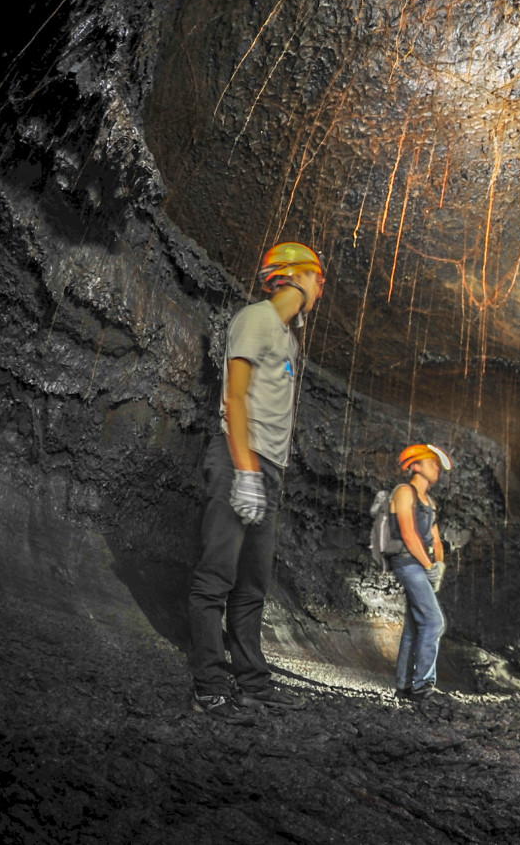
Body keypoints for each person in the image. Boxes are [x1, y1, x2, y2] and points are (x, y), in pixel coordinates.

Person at [187, 242, 325, 723]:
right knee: (216, 577)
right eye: (318, 277)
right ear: (296, 275)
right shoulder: (257, 318)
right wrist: (245, 471)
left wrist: (264, 473)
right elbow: (236, 396)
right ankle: (209, 687)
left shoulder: (288, 339)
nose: (321, 287)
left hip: (268, 468)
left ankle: (252, 682)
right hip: (238, 457)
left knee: (253, 583)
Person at [387, 443, 452, 701]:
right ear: (415, 465)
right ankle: (423, 685)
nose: (437, 468)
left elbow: (436, 539)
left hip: (422, 564)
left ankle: (404, 686)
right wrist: (428, 566)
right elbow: (408, 533)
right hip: (407, 563)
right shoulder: (404, 492)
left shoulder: (430, 502)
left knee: (415, 625)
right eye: (431, 462)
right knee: (434, 621)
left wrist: (439, 566)